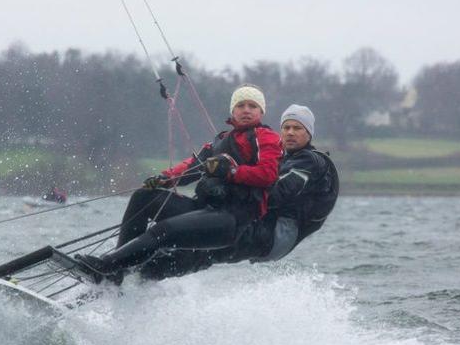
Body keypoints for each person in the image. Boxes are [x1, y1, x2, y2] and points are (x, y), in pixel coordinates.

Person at [77, 84, 283, 283]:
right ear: (233, 110)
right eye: (241, 105)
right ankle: (116, 271)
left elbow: (268, 174)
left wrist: (231, 171)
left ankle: (107, 265)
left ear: (261, 111)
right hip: (205, 209)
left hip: (231, 219)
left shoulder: (266, 137)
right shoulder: (220, 140)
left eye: (252, 106)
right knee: (144, 198)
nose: (246, 110)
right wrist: (165, 178)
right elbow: (192, 166)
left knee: (165, 230)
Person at [137, 104, 340, 280]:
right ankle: (140, 279)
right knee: (192, 246)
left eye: (297, 128)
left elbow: (276, 196)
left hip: (278, 234)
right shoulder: (280, 158)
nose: (290, 132)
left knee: (203, 247)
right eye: (286, 127)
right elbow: (196, 167)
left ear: (309, 133)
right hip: (260, 225)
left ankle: (137, 274)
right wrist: (167, 178)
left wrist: (230, 178)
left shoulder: (310, 161)